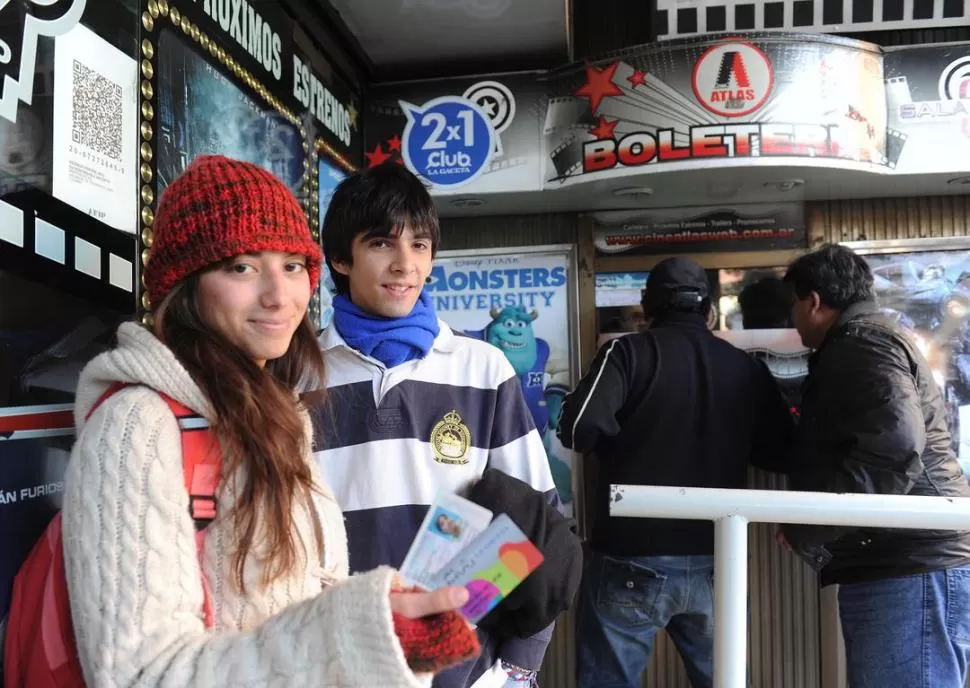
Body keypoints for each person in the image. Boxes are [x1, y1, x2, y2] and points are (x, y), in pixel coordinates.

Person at [59, 155, 477, 687]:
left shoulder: (281, 413)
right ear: (185, 285)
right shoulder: (136, 426)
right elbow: (142, 675)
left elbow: (295, 600)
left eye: (291, 265)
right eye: (242, 266)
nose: (279, 296)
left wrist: (384, 628)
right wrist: (351, 635)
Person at [312, 161, 560, 688]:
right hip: (331, 661)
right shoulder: (295, 372)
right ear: (340, 257)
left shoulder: (482, 368)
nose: (405, 264)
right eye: (382, 243)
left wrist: (512, 664)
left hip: (463, 669)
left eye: (420, 245)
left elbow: (535, 520)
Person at [558, 257, 793, 688]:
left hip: (629, 557)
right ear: (708, 312)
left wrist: (622, 441)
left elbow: (578, 427)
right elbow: (782, 452)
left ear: (648, 308)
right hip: (716, 558)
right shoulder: (745, 368)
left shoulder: (625, 352)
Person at [780, 244, 970, 688]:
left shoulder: (861, 343)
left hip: (910, 564)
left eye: (792, 302)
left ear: (813, 302)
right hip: (912, 561)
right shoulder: (868, 338)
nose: (791, 316)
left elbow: (896, 445)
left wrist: (811, 525)